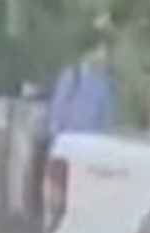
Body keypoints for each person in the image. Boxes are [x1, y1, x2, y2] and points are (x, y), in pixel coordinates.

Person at [30, 28, 116, 217]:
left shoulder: (106, 85)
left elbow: (106, 123)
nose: (105, 56)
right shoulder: (73, 76)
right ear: (90, 51)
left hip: (90, 155)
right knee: (58, 203)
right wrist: (59, 147)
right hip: (67, 152)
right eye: (102, 50)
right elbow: (57, 115)